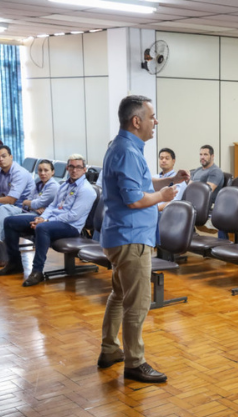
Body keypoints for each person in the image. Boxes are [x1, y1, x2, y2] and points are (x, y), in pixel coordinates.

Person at [98, 95, 182, 383]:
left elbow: (140, 184)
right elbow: (134, 200)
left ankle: (110, 349)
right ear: (137, 121)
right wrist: (163, 196)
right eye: (152, 116)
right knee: (137, 302)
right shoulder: (128, 152)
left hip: (121, 235)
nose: (155, 121)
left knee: (120, 295)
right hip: (131, 238)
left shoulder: (122, 147)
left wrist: (170, 181)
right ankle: (135, 363)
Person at [0, 154, 96, 288]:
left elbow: (73, 216)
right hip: (52, 220)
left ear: (84, 169)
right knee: (10, 221)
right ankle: (14, 263)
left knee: (42, 228)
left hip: (70, 226)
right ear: (67, 168)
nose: (74, 170)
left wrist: (46, 220)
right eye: (71, 166)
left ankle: (37, 271)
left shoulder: (86, 190)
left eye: (78, 167)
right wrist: (42, 218)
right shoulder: (65, 185)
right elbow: (53, 206)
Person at [0, 159, 59, 267]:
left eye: (46, 170)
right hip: (27, 210)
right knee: (3, 208)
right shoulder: (39, 183)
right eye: (40, 170)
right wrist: (31, 204)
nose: (43, 173)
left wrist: (32, 204)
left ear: (52, 172)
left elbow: (35, 203)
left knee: (6, 219)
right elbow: (28, 201)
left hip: (40, 216)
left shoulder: (53, 186)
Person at [0, 145, 35, 261]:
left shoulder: (19, 173)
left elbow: (11, 199)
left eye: (3, 156)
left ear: (11, 157)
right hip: (9, 206)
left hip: (22, 209)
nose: (1, 159)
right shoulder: (0, 171)